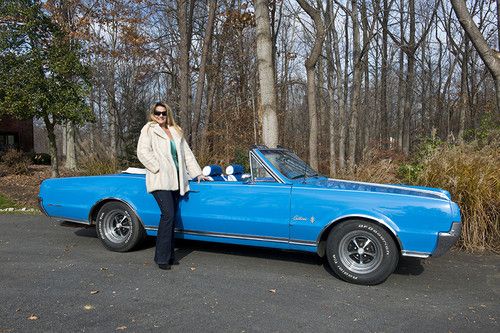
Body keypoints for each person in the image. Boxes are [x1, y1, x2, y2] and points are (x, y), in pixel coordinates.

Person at [137, 102, 208, 270]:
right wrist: (158, 167)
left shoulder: (176, 130)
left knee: (173, 216)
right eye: (157, 113)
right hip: (160, 179)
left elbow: (187, 154)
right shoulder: (148, 129)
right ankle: (161, 258)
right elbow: (142, 152)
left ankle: (169, 256)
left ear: (168, 114)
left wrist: (197, 173)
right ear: (153, 113)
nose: (161, 116)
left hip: (176, 180)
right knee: (167, 214)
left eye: (163, 113)